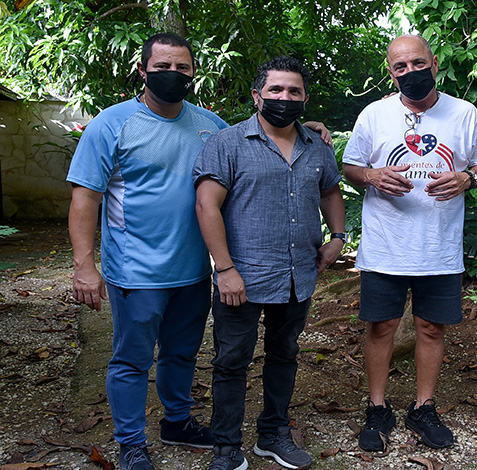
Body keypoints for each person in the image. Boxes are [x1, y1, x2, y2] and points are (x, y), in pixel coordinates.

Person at [67, 33, 227, 470]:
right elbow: (85, 198)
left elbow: (254, 147)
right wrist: (85, 266)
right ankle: (131, 442)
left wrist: (307, 129)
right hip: (135, 272)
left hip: (193, 270)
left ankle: (176, 421)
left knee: (181, 353)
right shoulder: (111, 124)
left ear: (193, 72)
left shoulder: (210, 125)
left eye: (182, 68)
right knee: (132, 360)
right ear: (142, 70)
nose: (172, 75)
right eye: (162, 67)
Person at [342, 34, 477, 451]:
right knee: (382, 327)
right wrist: (372, 176)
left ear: (434, 62)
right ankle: (377, 408)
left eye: (417, 63)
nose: (410, 72)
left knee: (430, 327)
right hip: (387, 243)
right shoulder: (374, 114)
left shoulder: (464, 113)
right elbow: (351, 165)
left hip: (439, 245)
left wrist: (467, 178)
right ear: (391, 73)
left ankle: (423, 407)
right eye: (400, 67)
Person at [194, 55, 345, 470]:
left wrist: (338, 237)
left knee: (284, 354)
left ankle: (273, 433)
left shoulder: (317, 144)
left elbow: (331, 191)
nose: (284, 97)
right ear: (258, 95)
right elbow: (207, 206)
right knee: (230, 360)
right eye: (276, 90)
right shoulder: (227, 143)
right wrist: (224, 269)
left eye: (293, 91)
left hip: (298, 274)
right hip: (241, 276)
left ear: (305, 97)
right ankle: (226, 445)